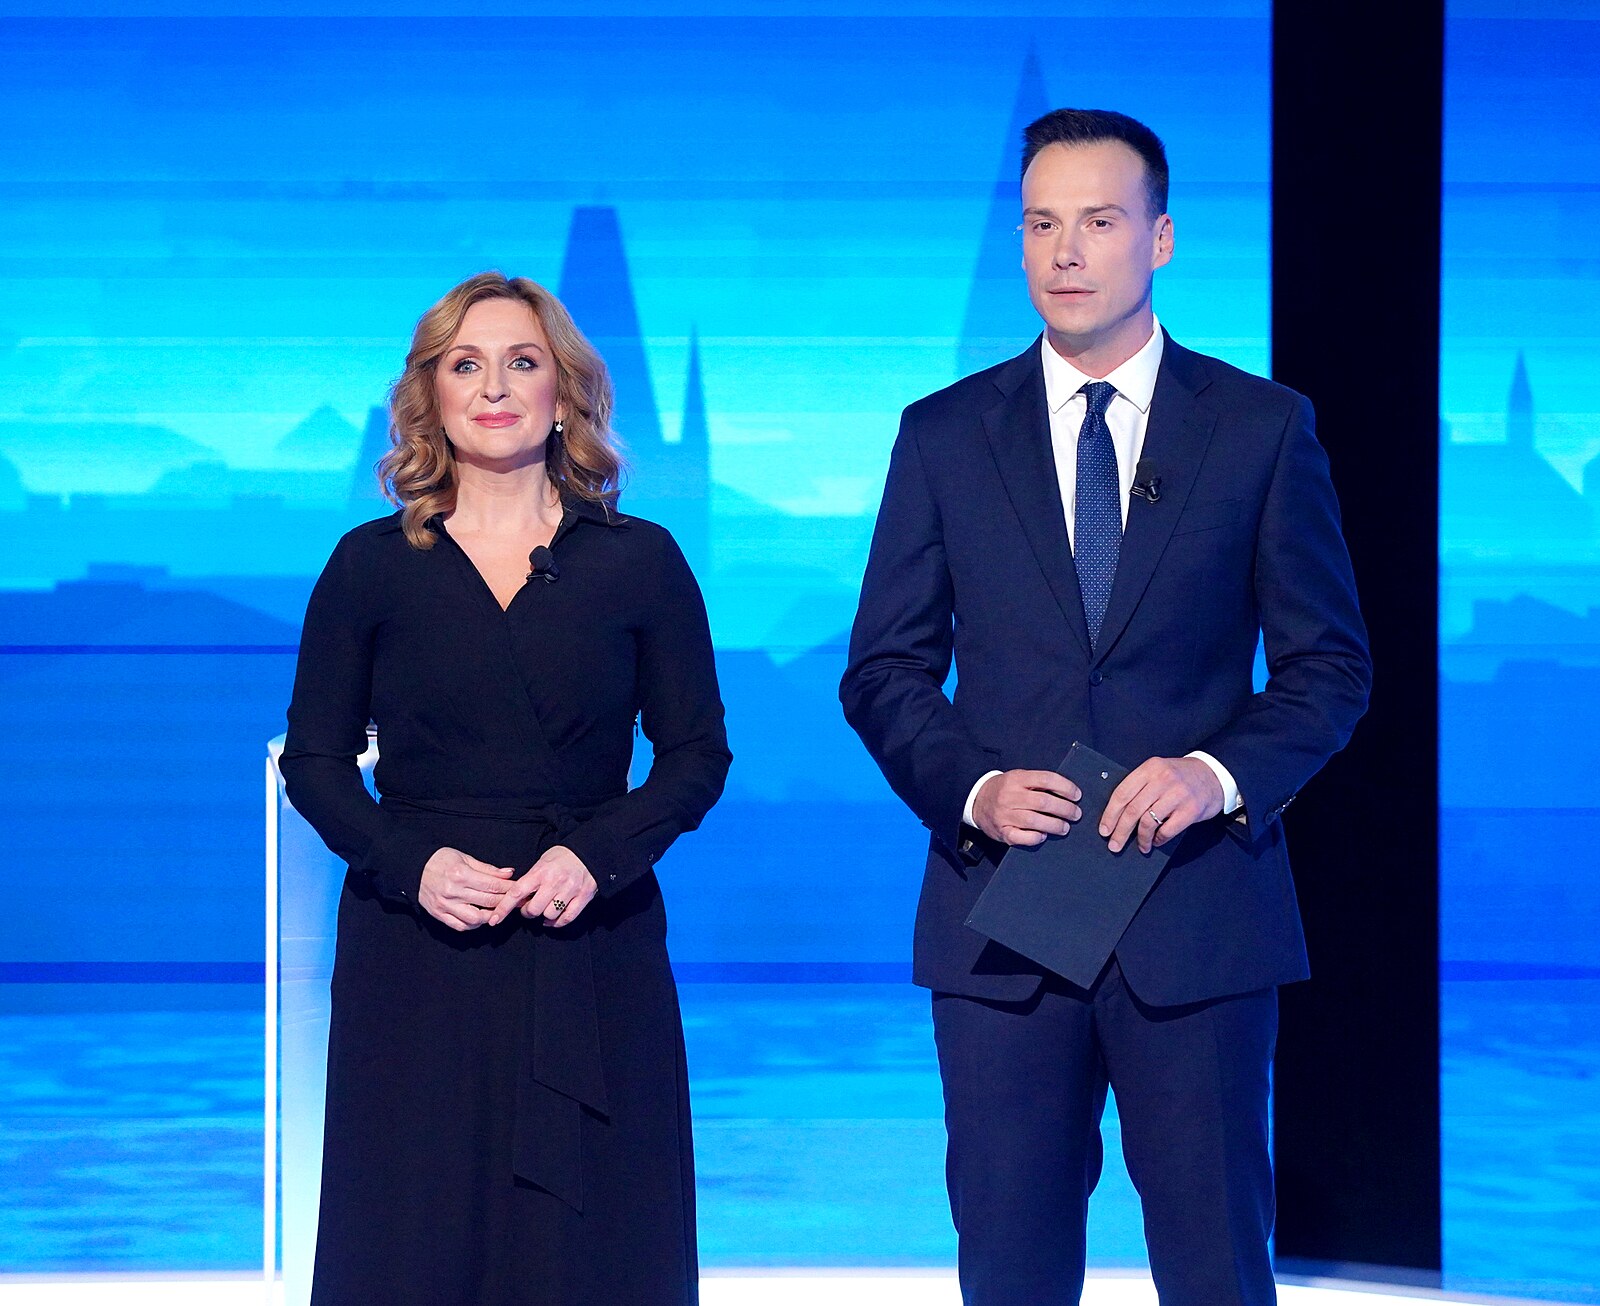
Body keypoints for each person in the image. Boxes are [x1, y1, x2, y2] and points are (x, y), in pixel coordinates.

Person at [840, 109, 1371, 1305]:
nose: (1065, 251)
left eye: (1097, 221)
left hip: (1196, 908)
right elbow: (883, 669)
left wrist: (1214, 774)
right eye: (1041, 224)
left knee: (1215, 1263)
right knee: (1010, 1267)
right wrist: (974, 786)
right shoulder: (942, 435)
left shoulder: (1259, 427)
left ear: (1161, 238)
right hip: (1005, 914)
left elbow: (1328, 666)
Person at [279, 270, 730, 1306]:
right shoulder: (369, 565)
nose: (494, 387)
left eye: (522, 362)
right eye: (466, 364)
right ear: (430, 394)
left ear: (562, 393)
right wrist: (410, 864)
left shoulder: (639, 560)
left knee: (592, 1247)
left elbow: (695, 755)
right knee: (417, 1235)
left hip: (591, 938)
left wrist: (597, 857)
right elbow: (314, 760)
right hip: (418, 950)